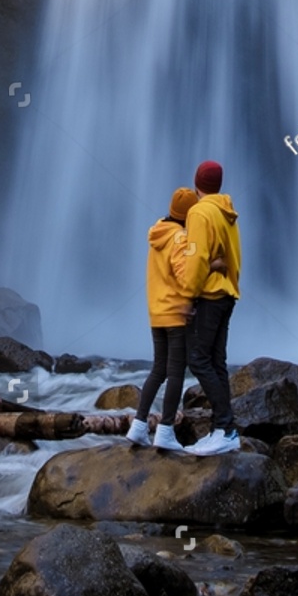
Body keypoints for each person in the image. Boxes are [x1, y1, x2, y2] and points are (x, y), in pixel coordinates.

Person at [127, 187, 198, 452]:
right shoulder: (180, 238)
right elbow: (184, 275)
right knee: (176, 372)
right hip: (176, 313)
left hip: (156, 312)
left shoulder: (158, 232)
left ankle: (138, 425)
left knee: (158, 370)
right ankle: (166, 430)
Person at [180, 160, 242, 456]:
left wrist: (186, 295)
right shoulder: (227, 211)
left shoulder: (199, 212)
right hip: (227, 292)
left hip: (209, 295)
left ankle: (227, 429)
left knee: (199, 360)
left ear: (196, 184)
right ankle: (222, 430)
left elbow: (194, 257)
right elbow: (231, 256)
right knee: (217, 363)